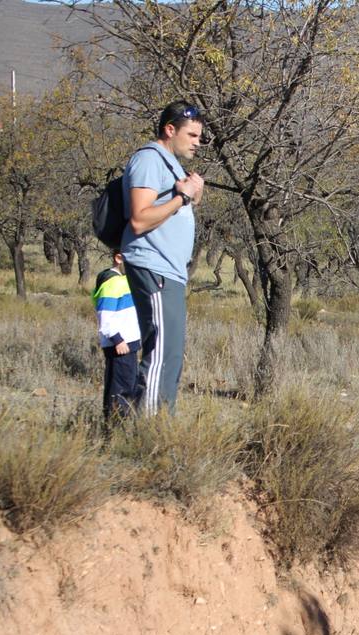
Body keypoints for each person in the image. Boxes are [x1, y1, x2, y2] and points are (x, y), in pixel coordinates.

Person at [121, 101, 206, 415]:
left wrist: (192, 194)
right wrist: (182, 196)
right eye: (193, 135)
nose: (198, 142)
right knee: (161, 353)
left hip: (168, 270)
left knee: (171, 352)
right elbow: (140, 219)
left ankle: (156, 422)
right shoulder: (148, 160)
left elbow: (176, 207)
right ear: (170, 130)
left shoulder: (170, 164)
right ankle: (151, 429)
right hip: (153, 265)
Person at [93, 250, 141, 425]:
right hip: (120, 345)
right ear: (118, 257)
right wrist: (118, 340)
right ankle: (113, 431)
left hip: (129, 344)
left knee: (128, 388)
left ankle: (119, 427)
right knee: (119, 391)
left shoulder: (123, 281)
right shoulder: (111, 283)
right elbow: (105, 318)